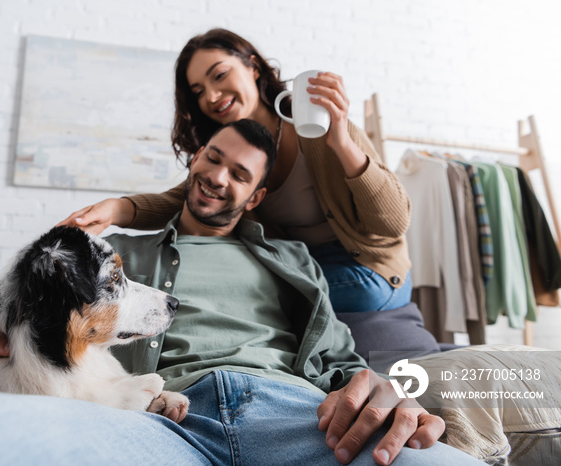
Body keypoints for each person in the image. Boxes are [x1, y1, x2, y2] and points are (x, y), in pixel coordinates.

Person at [0, 120, 483, 466]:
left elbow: (343, 361)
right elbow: (12, 298)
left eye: (239, 173)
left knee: (433, 464)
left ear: (257, 197)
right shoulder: (118, 256)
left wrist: (378, 388)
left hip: (299, 416)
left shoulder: (294, 261)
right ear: (194, 160)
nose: (218, 176)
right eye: (212, 157)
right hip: (155, 420)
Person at [58, 28, 413, 313]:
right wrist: (116, 209)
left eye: (220, 75)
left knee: (237, 295)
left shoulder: (321, 130)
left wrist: (342, 143)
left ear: (253, 68)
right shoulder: (228, 147)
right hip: (301, 266)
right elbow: (190, 200)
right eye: (199, 90)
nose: (211, 95)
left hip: (368, 272)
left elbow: (394, 224)